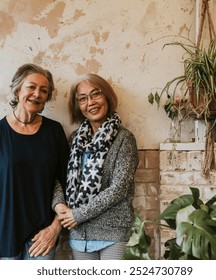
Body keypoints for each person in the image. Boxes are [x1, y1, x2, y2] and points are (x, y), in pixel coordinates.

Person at [0, 63, 69, 260]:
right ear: (18, 91)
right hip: (4, 236)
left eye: (44, 90)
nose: (37, 94)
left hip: (42, 237)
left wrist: (55, 228)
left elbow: (67, 185)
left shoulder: (54, 132)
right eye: (31, 87)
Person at [55, 73, 139, 260]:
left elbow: (119, 188)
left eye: (96, 94)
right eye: (83, 99)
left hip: (112, 233)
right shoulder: (74, 139)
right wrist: (58, 204)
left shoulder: (124, 139)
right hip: (79, 235)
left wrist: (78, 214)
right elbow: (59, 177)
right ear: (78, 105)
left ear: (107, 96)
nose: (90, 102)